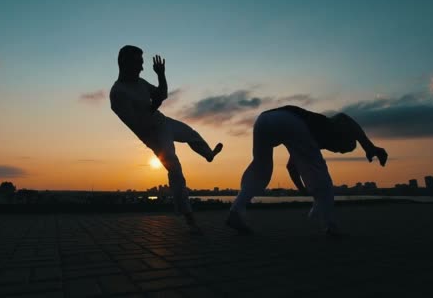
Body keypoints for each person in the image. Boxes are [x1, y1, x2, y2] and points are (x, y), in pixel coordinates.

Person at [110, 45, 223, 233]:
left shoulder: (140, 82)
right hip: (153, 135)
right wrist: (154, 105)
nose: (141, 68)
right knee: (175, 168)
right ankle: (189, 218)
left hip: (163, 122)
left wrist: (161, 74)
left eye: (142, 63)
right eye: (138, 63)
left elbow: (161, 94)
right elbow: (139, 123)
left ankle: (208, 154)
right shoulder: (118, 93)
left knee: (191, 134)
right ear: (125, 63)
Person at [226, 105, 388, 235]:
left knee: (260, 170)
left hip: (264, 119)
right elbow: (345, 118)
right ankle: (330, 225)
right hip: (290, 119)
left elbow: (291, 167)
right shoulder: (327, 125)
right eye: (342, 149)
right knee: (319, 172)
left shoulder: (306, 141)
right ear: (341, 138)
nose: (339, 151)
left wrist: (302, 189)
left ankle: (236, 211)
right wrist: (369, 146)